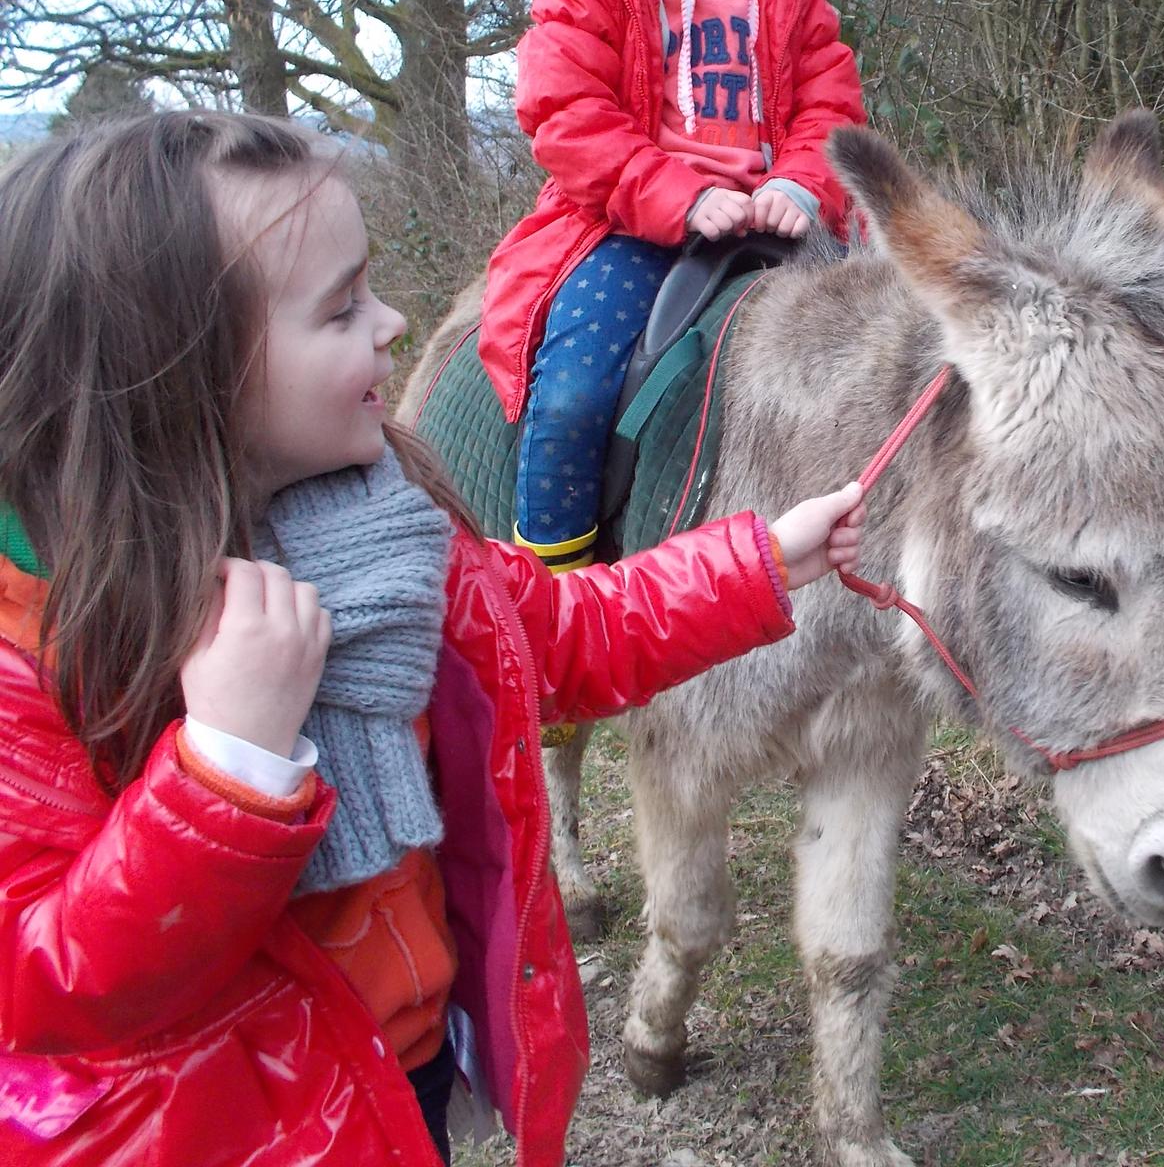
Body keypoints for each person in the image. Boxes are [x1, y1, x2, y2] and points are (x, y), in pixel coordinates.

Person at [0, 112, 868, 1167]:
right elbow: (45, 988)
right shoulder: (30, 655)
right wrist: (225, 769)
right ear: (183, 369)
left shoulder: (390, 535)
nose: (395, 321)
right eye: (341, 308)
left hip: (400, 1074)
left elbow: (558, 631)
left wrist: (762, 560)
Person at [480, 0, 865, 572]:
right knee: (576, 391)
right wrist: (679, 197)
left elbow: (830, 108)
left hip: (776, 223)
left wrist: (801, 189)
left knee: (891, 357)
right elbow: (564, 110)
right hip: (631, 227)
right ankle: (554, 580)